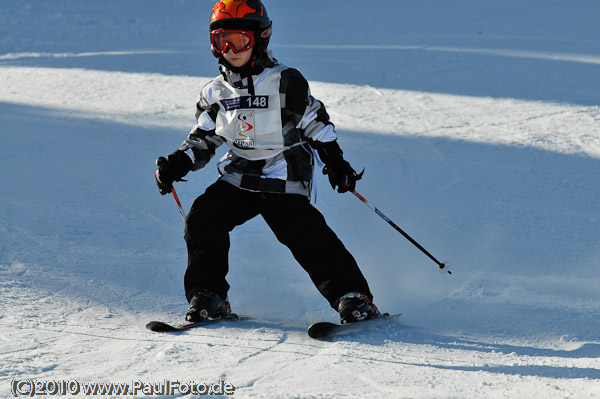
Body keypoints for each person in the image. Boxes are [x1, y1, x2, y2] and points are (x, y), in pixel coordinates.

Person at [155, 0, 380, 324]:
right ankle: (209, 296)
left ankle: (353, 297)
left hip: (283, 173)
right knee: (203, 219)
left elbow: (315, 122)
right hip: (240, 174)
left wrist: (335, 161)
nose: (232, 49)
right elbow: (204, 137)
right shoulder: (215, 92)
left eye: (241, 40)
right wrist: (180, 161)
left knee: (304, 231)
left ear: (260, 38)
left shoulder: (284, 82)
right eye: (222, 41)